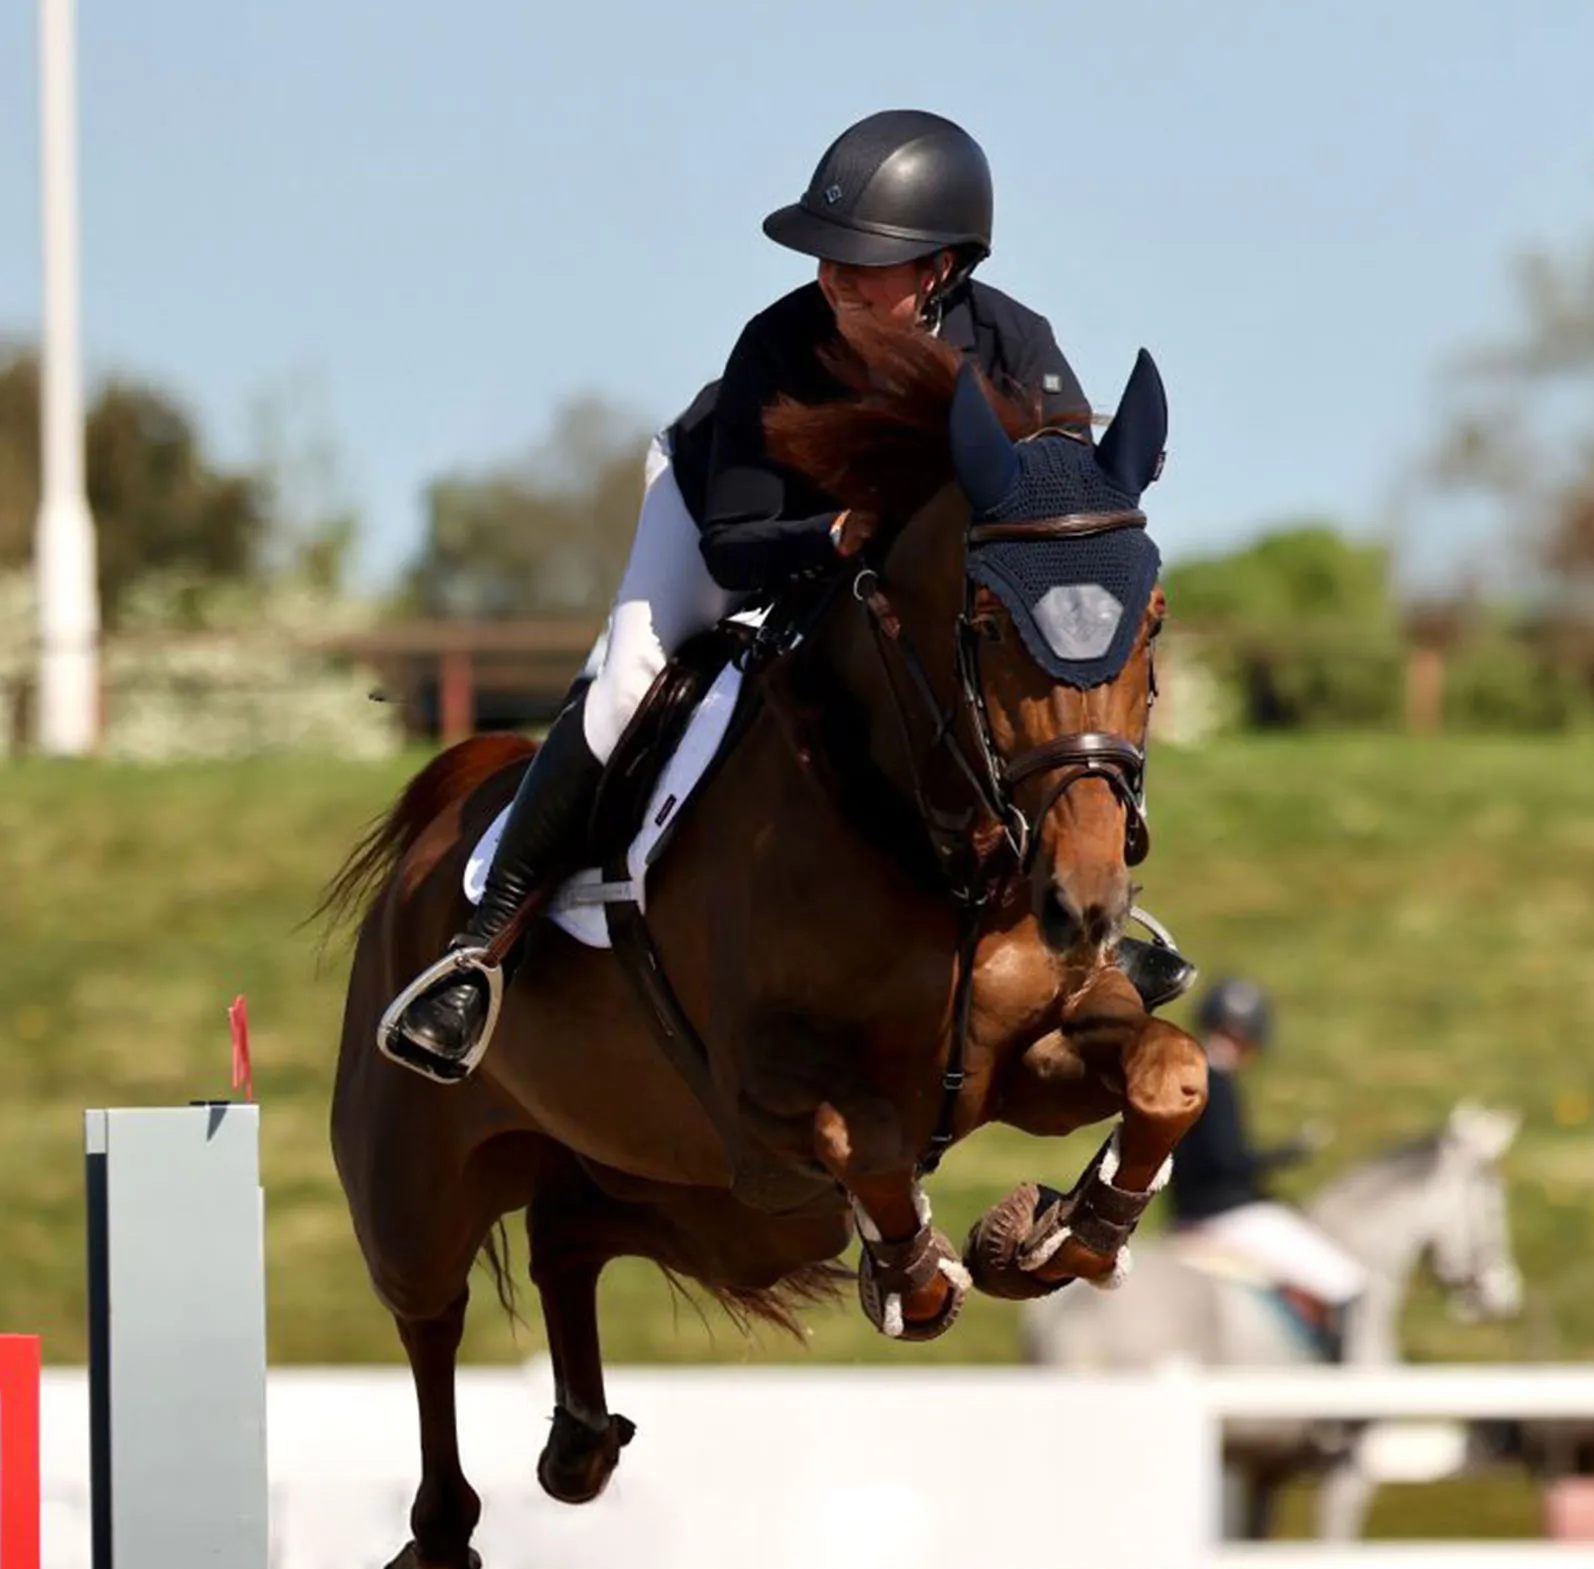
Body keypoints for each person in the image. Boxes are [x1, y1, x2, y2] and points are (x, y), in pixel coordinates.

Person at [387, 109, 1194, 1082]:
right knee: (623, 689)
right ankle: (479, 950)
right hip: (723, 525)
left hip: (889, 579)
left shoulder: (1013, 339)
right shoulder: (777, 345)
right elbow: (732, 545)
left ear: (941, 267)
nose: (833, 276)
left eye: (864, 258)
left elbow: (1049, 493)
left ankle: (1093, 929)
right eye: (828, 255)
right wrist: (830, 537)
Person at [1169, 978, 1365, 1346]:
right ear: (1246, 1036)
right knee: (1345, 1280)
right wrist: (1285, 1156)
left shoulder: (1187, 1074)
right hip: (1224, 1217)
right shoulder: (1218, 1078)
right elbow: (1226, 1161)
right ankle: (1342, 1391)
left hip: (1188, 1212)